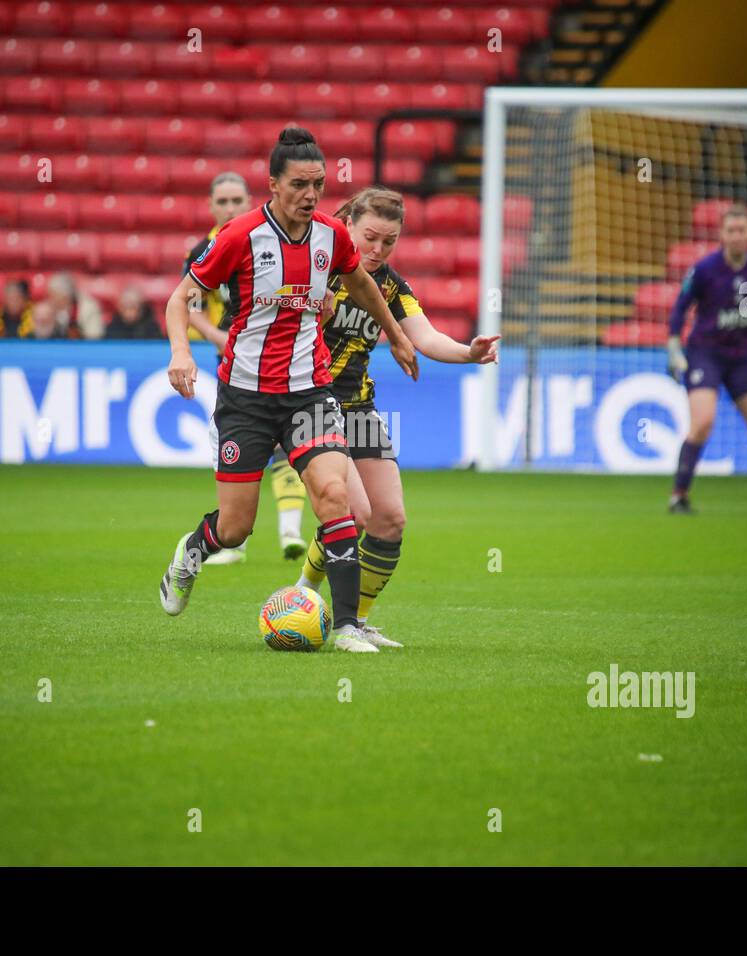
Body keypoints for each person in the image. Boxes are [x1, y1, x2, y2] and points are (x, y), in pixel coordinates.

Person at [157, 127, 419, 653]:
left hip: (309, 392)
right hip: (246, 398)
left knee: (334, 495)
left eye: (318, 184)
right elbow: (180, 297)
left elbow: (364, 285)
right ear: (273, 184)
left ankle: (345, 626)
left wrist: (395, 336)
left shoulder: (331, 235)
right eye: (300, 183)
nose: (311, 194)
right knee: (235, 528)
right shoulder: (238, 236)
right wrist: (181, 352)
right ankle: (192, 550)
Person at [293, 187, 499, 647]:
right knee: (356, 513)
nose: (377, 249)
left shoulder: (389, 285)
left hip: (360, 409)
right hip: (310, 403)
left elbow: (423, 336)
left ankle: (358, 619)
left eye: (389, 241)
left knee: (389, 520)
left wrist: (469, 353)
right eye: (370, 237)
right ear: (347, 225)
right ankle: (303, 596)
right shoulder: (315, 268)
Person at [182, 170, 310, 565]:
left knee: (284, 445)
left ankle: (289, 529)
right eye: (222, 201)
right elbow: (189, 306)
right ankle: (234, 539)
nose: (230, 207)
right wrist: (218, 338)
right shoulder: (206, 248)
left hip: (280, 362)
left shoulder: (264, 241)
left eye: (237, 200)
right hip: (233, 365)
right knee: (240, 449)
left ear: (249, 200)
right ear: (210, 206)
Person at [665, 205, 747, 515]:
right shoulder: (705, 268)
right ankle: (678, 496)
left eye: (741, 230)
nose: (736, 236)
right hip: (705, 354)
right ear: (721, 235)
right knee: (703, 422)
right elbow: (681, 307)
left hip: (741, 356)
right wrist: (673, 348)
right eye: (730, 230)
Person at [46, 272, 103, 340]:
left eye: (53, 295)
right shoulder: (47, 309)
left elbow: (94, 338)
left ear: (64, 296)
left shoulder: (88, 308)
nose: (51, 299)